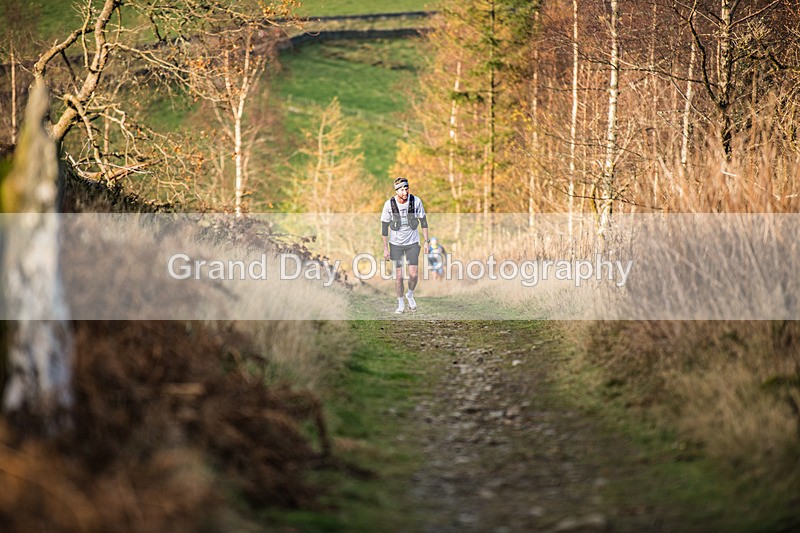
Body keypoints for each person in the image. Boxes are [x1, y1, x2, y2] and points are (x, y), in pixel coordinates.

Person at [381, 177, 430, 314]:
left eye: (406, 188)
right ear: (396, 191)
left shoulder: (416, 201)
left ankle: (410, 294)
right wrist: (385, 248)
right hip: (395, 244)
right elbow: (384, 227)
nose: (405, 191)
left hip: (413, 243)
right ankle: (401, 303)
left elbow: (423, 222)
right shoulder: (389, 204)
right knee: (399, 276)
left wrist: (427, 242)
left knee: (413, 275)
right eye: (402, 189)